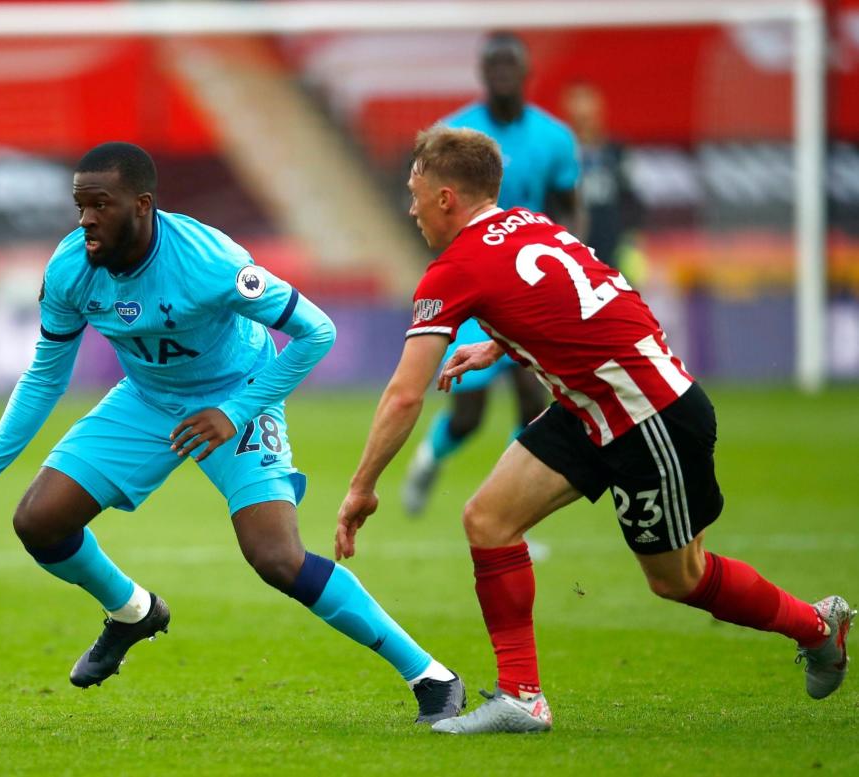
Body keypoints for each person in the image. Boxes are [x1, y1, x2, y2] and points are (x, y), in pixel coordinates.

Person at [0, 141, 465, 724]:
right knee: (38, 521)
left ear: (143, 204)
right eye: (79, 206)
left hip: (240, 394)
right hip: (148, 399)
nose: (85, 220)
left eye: (99, 205)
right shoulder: (70, 268)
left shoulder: (209, 261)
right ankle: (132, 612)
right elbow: (45, 377)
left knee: (276, 558)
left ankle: (432, 678)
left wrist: (235, 410)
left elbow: (317, 333)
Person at [337, 126, 853, 734]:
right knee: (488, 519)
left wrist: (362, 487)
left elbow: (403, 395)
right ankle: (521, 698)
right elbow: (575, 301)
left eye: (415, 191)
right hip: (594, 404)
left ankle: (817, 625)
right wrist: (498, 348)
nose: (410, 207)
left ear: (447, 197)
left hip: (647, 415)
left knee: (677, 579)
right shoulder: (528, 223)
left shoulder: (453, 269)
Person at [402, 31, 580, 518]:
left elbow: (568, 211)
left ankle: (510, 504)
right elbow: (423, 204)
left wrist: (571, 269)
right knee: (468, 415)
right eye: (493, 65)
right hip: (475, 289)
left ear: (526, 74)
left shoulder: (555, 138)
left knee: (533, 402)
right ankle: (427, 459)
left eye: (510, 65)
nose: (502, 73)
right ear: (483, 75)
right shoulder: (454, 136)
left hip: (531, 290)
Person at [562, 82, 644, 273]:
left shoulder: (617, 152)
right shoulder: (562, 155)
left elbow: (631, 198)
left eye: (587, 117)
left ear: (598, 113)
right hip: (573, 251)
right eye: (578, 118)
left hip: (614, 249)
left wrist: (630, 241)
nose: (584, 123)